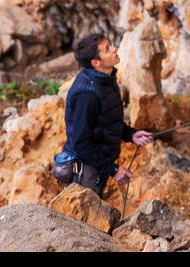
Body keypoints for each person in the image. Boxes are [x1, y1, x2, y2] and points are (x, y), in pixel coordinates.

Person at [59, 33, 153, 197]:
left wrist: (131, 135)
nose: (114, 49)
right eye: (107, 49)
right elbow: (80, 142)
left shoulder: (105, 80)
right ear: (96, 63)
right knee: (86, 216)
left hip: (99, 164)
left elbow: (106, 121)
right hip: (86, 171)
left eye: (111, 45)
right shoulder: (86, 93)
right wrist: (113, 169)